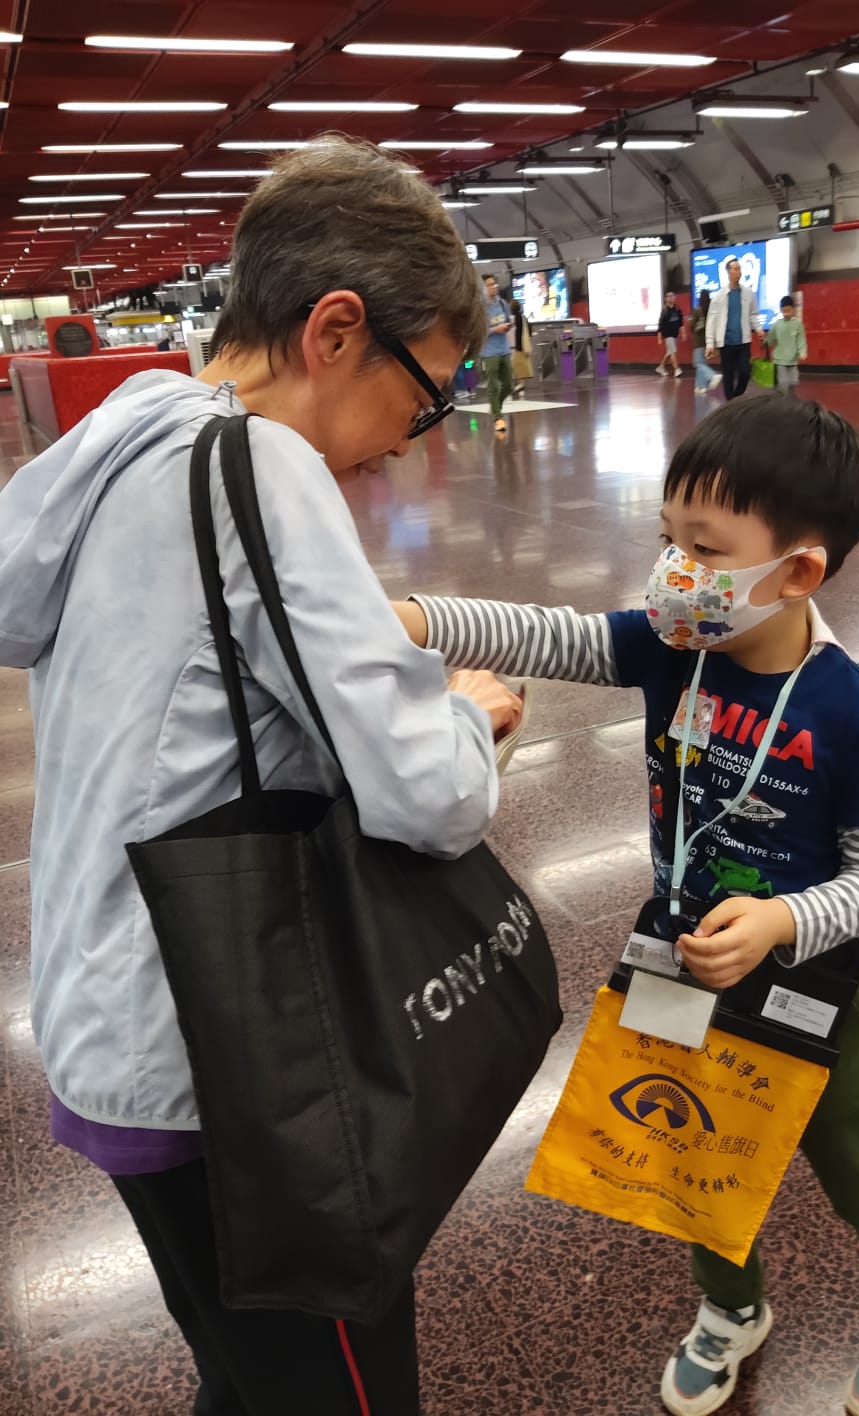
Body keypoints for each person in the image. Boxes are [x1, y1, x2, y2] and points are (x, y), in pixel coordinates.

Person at [0, 136, 524, 1416]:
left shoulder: (132, 430)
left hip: (107, 1008)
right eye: (429, 390)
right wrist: (470, 717)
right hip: (230, 1057)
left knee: (246, 1369)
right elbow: (424, 796)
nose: (411, 437)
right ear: (335, 330)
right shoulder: (266, 464)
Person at [392, 395, 859, 1416]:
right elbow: (552, 634)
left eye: (704, 549)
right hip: (677, 961)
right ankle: (731, 1308)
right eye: (667, 538)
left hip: (811, 987)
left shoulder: (853, 712)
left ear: (797, 572)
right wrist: (421, 618)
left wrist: (784, 921)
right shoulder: (674, 645)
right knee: (691, 1153)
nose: (672, 571)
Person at [705, 258, 760, 401]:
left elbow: (753, 314)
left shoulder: (748, 293)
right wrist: (710, 343)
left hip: (743, 342)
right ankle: (730, 403)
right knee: (728, 375)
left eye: (739, 269)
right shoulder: (719, 297)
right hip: (726, 343)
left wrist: (758, 328)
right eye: (734, 269)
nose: (738, 272)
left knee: (745, 373)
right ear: (728, 272)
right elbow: (711, 320)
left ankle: (736, 398)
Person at [482, 272, 514, 433]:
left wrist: (508, 326)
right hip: (489, 352)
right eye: (489, 285)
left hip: (504, 349)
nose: (493, 287)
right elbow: (479, 331)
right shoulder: (481, 308)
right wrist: (495, 329)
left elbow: (508, 321)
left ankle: (495, 408)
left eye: (494, 284)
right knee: (493, 385)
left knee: (509, 384)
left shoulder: (502, 304)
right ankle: (498, 417)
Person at [764, 294, 808, 394]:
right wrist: (765, 341)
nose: (786, 314)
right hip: (780, 360)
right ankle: (783, 402)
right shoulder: (777, 325)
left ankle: (790, 400)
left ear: (793, 309)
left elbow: (801, 340)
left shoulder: (798, 324)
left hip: (793, 360)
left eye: (788, 311)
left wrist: (803, 352)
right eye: (784, 311)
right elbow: (770, 339)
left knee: (793, 382)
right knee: (783, 383)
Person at [657, 290, 685, 378]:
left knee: (669, 352)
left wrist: (683, 333)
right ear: (666, 299)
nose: (671, 297)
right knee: (673, 351)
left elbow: (681, 323)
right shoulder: (664, 310)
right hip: (668, 335)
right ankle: (677, 369)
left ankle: (661, 367)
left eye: (672, 296)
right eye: (669, 296)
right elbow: (660, 325)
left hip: (675, 334)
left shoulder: (677, 309)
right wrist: (659, 338)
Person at [690, 290, 712, 395]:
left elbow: (691, 325)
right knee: (702, 363)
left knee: (698, 364)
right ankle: (701, 387)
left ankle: (712, 375)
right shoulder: (711, 310)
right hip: (708, 340)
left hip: (699, 340)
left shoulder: (697, 310)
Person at [510, 296, 532, 395]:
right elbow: (530, 332)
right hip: (523, 346)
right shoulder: (524, 318)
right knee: (521, 367)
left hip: (514, 346)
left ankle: (519, 386)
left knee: (515, 366)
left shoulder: (511, 318)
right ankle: (521, 386)